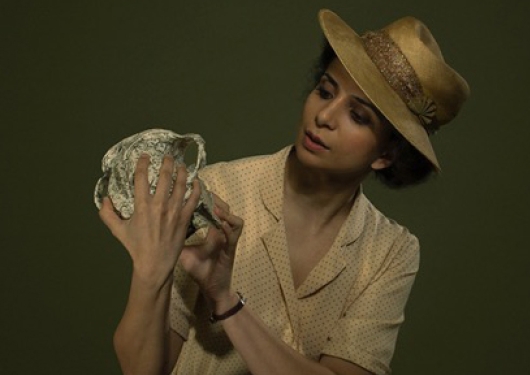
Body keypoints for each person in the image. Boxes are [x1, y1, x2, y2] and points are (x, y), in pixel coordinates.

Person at [99, 9, 469, 375]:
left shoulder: (390, 251)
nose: (324, 116)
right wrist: (150, 271)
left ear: (386, 155)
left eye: (358, 116)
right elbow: (141, 369)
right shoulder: (215, 192)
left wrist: (226, 301)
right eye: (325, 91)